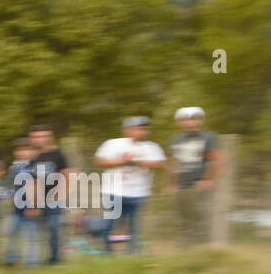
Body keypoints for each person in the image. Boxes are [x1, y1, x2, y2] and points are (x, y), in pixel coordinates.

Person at [94, 116, 167, 254]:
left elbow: (159, 164)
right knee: (110, 224)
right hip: (113, 191)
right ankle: (107, 253)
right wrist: (121, 161)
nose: (139, 132)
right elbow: (100, 161)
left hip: (138, 192)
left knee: (134, 226)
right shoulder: (113, 144)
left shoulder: (152, 147)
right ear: (126, 130)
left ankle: (133, 254)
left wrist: (136, 161)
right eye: (135, 129)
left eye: (142, 129)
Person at [167, 107, 223, 245]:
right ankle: (183, 251)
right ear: (180, 122)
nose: (190, 122)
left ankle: (202, 251)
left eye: (194, 119)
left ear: (200, 121)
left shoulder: (209, 137)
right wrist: (171, 184)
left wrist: (208, 180)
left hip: (198, 184)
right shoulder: (175, 139)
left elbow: (217, 160)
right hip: (181, 185)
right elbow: (173, 163)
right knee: (183, 219)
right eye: (186, 119)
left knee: (200, 220)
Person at [29, 126, 73, 264]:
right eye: (36, 136)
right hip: (40, 200)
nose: (39, 139)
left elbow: (66, 175)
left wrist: (61, 195)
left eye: (43, 136)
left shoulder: (58, 154)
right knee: (41, 230)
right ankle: (40, 258)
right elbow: (34, 181)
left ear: (49, 137)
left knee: (54, 228)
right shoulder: (34, 157)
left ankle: (55, 258)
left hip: (55, 199)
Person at [3, 138, 40, 267]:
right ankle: (11, 259)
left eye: (28, 149)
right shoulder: (13, 167)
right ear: (16, 152)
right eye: (21, 149)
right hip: (15, 207)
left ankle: (31, 261)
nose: (24, 152)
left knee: (31, 235)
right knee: (11, 233)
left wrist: (34, 206)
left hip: (29, 206)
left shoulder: (33, 167)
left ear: (33, 151)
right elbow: (12, 187)